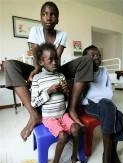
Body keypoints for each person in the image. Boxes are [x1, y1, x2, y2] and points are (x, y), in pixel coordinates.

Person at [4, 1, 94, 141]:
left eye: (52, 14)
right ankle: (34, 114)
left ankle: (71, 109)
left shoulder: (62, 34)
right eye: (45, 14)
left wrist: (60, 79)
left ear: (57, 19)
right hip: (39, 66)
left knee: (87, 60)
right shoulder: (35, 31)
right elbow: (36, 56)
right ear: (40, 17)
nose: (48, 17)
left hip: (55, 67)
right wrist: (36, 70)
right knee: (9, 64)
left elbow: (55, 60)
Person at [31, 42, 91, 163]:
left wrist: (65, 92)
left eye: (56, 59)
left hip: (63, 115)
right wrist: (48, 92)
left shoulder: (61, 75)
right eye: (50, 60)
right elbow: (33, 102)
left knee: (77, 128)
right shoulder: (38, 79)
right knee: (63, 136)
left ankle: (74, 159)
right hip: (49, 118)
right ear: (41, 62)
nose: (54, 62)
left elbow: (65, 98)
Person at [81, 45, 123, 163]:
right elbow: (88, 95)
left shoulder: (104, 71)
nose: (97, 58)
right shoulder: (83, 71)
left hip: (104, 104)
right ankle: (109, 159)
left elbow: (109, 93)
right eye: (92, 55)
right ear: (84, 58)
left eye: (99, 55)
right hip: (90, 105)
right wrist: (101, 96)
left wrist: (101, 96)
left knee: (117, 114)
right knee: (111, 107)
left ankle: (109, 157)